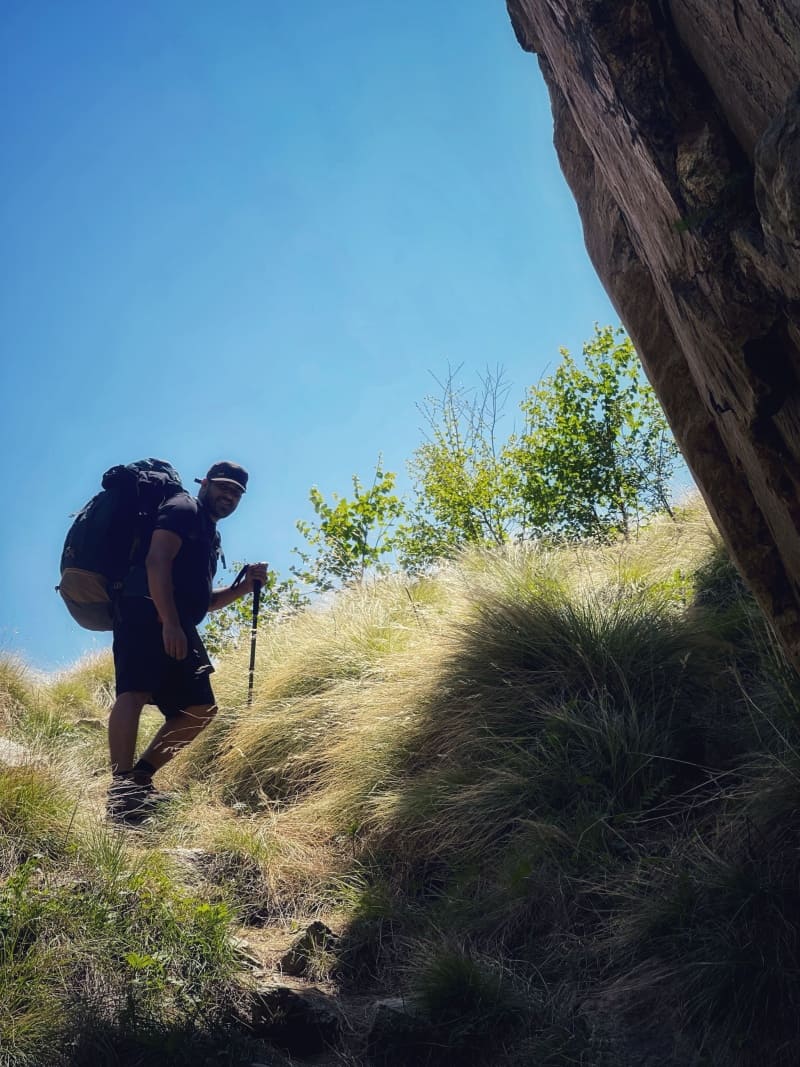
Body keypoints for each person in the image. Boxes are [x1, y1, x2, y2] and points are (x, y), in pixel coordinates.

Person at [106, 460, 267, 826]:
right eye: (223, 487)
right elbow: (156, 561)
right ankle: (120, 792)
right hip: (145, 611)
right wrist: (169, 623)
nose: (229, 496)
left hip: (176, 620)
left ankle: (140, 780)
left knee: (201, 708)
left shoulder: (208, 531)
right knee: (134, 693)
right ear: (205, 483)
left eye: (236, 493)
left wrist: (244, 587)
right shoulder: (183, 508)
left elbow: (204, 601)